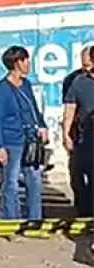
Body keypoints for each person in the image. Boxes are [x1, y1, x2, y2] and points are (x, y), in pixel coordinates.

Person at [0, 45, 47, 222]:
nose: (28, 63)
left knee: (34, 180)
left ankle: (34, 219)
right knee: (11, 183)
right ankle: (11, 220)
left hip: (30, 140)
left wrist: (42, 126)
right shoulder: (1, 90)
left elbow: (33, 109)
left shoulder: (26, 85)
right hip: (11, 142)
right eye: (25, 60)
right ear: (16, 63)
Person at [63, 45, 94, 217]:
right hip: (81, 138)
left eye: (88, 64)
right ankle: (83, 211)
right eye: (84, 65)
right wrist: (66, 134)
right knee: (77, 176)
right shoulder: (75, 81)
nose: (86, 68)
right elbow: (69, 109)